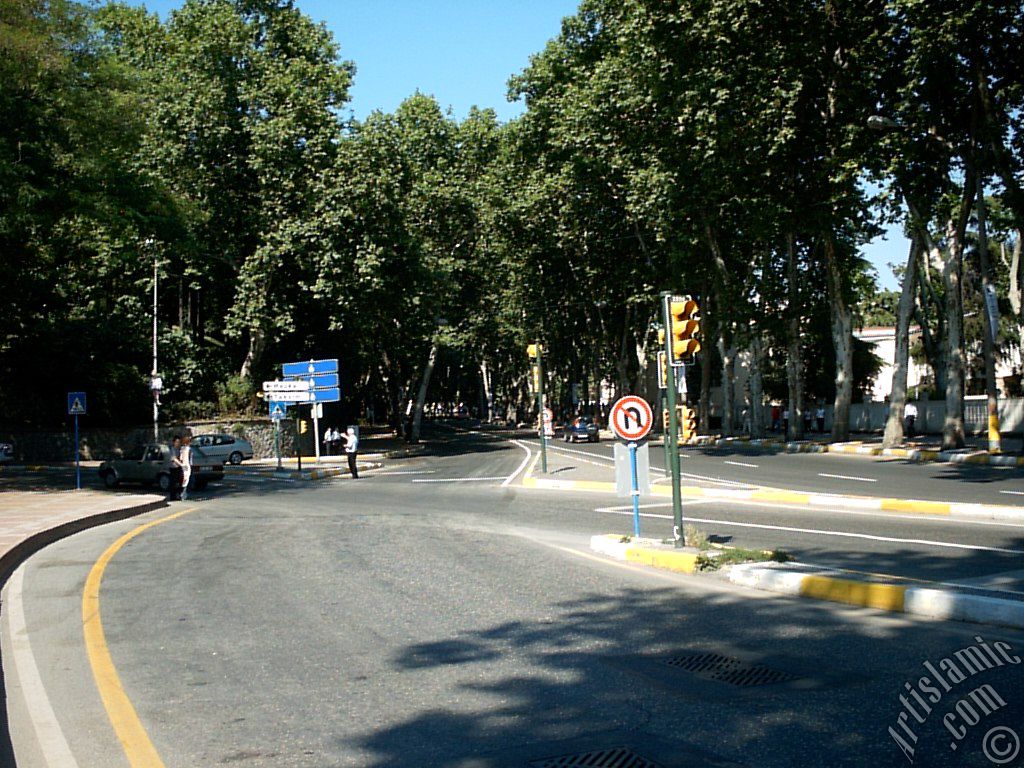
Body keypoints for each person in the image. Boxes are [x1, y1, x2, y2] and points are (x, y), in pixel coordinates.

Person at [178, 434, 193, 501]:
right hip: (188, 465)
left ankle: (182, 493)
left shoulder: (182, 449)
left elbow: (181, 458)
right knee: (188, 480)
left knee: (185, 479)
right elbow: (190, 458)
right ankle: (184, 494)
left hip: (183, 465)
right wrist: (191, 465)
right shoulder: (189, 449)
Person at [169, 435, 183, 501]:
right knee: (173, 483)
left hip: (178, 468)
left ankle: (178, 495)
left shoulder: (179, 449)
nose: (178, 443)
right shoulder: (172, 449)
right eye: (177, 442)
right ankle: (173, 497)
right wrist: (181, 464)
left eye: (179, 442)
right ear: (174, 442)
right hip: (173, 468)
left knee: (179, 482)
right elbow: (174, 459)